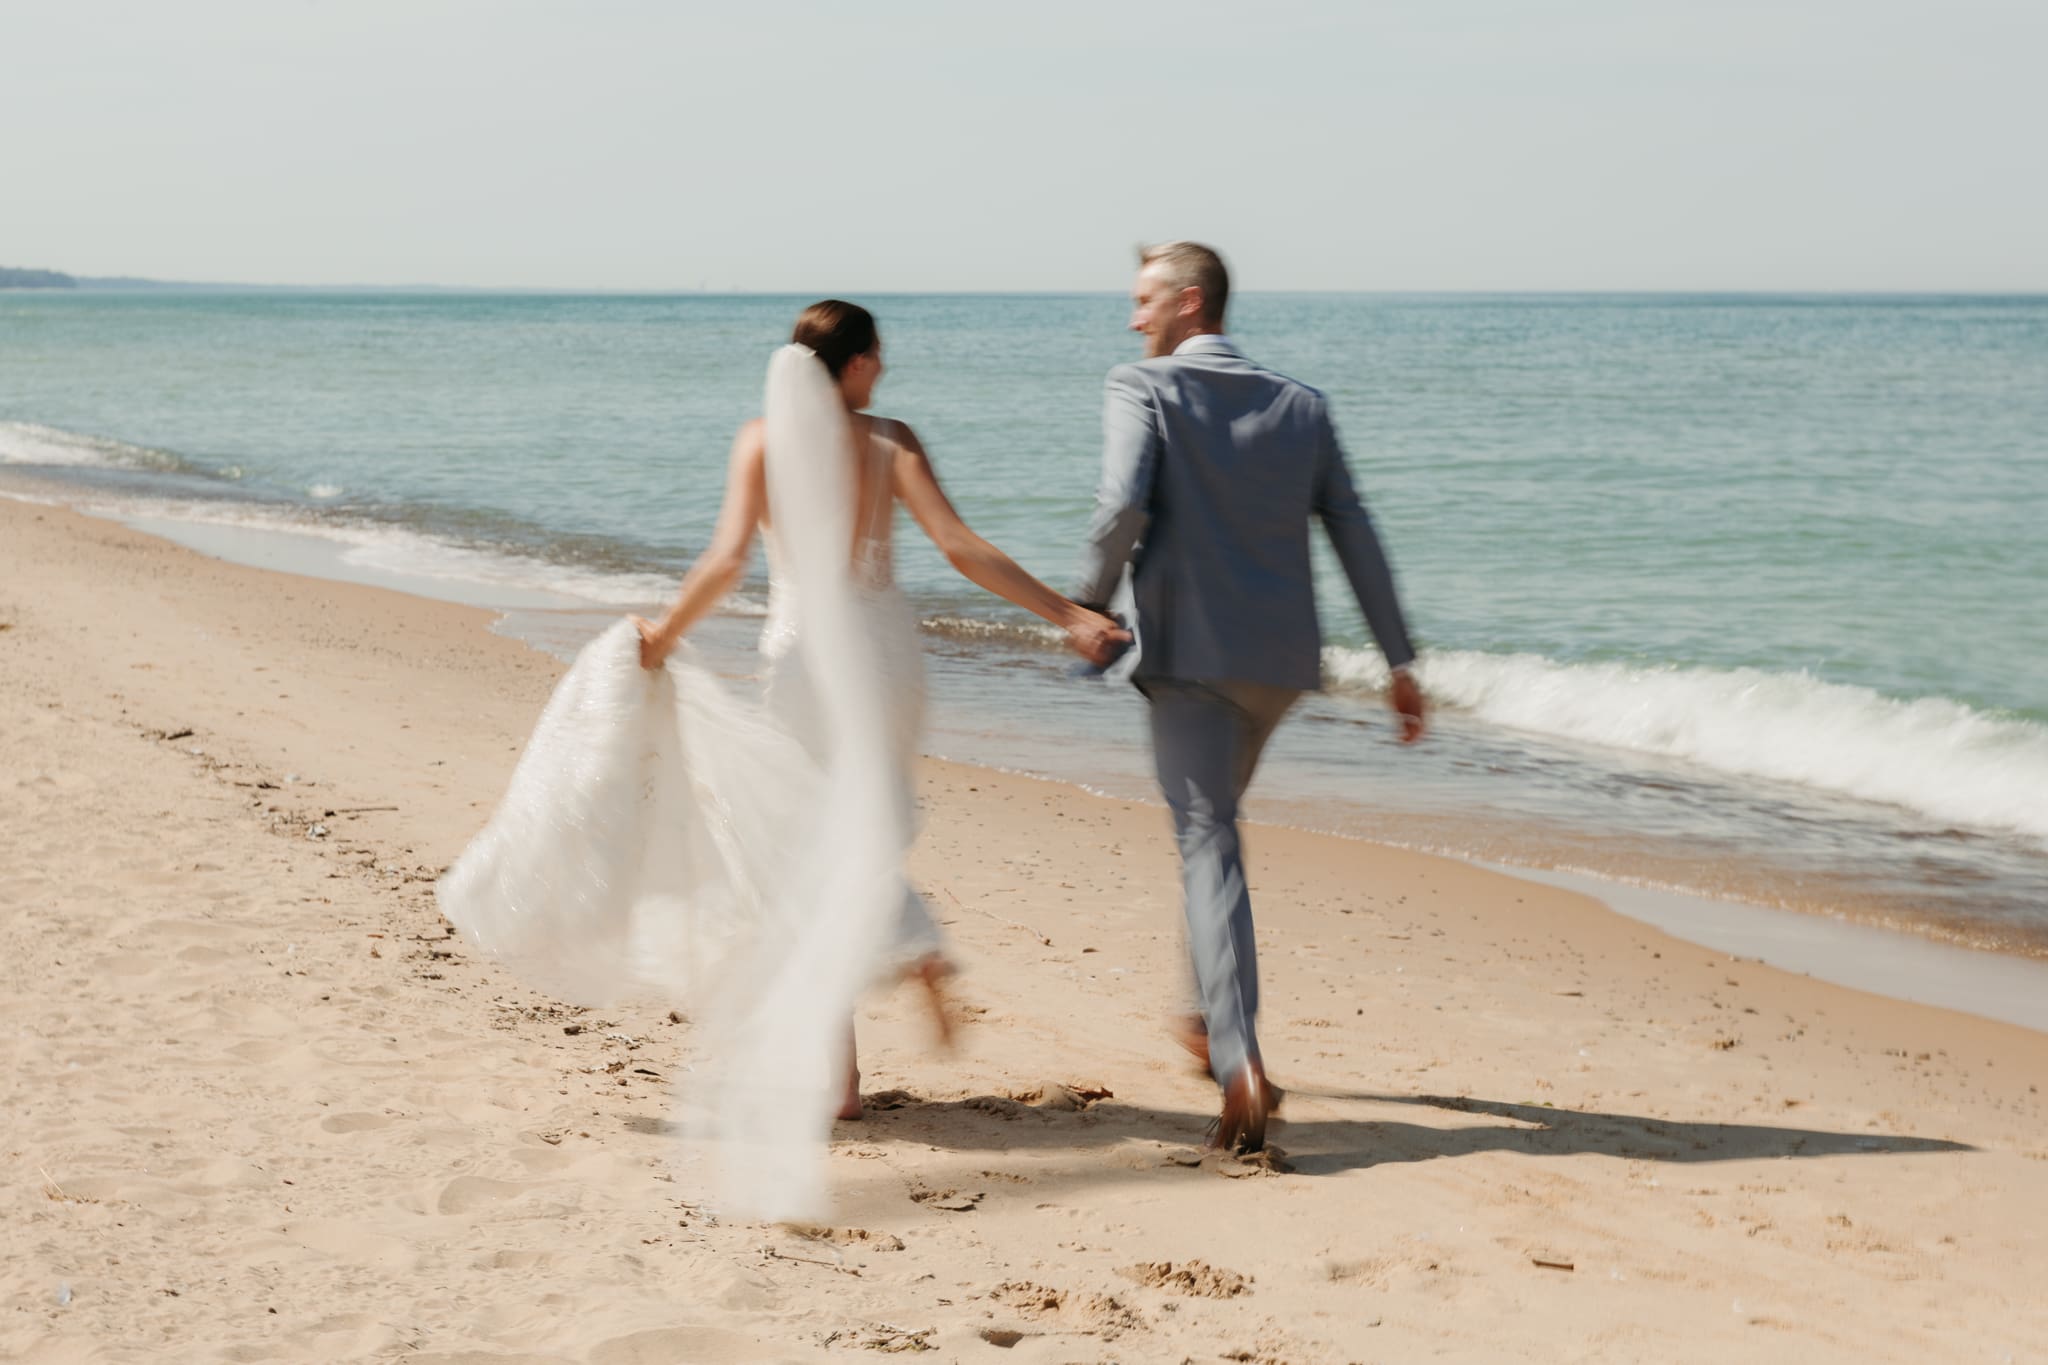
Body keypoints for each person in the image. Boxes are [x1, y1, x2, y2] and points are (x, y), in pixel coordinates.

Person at [628, 301, 1125, 1120]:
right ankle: (892, 975)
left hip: (802, 663)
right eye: (878, 356)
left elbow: (725, 561)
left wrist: (663, 635)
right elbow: (960, 547)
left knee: (806, 855)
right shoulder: (892, 440)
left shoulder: (761, 441)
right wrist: (1067, 616)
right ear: (854, 364)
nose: (885, 369)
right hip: (888, 659)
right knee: (847, 838)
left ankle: (858, 1041)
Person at [1072, 244, 1426, 1154]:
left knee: (1206, 841)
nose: (1133, 318)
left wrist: (1086, 606)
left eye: (1144, 300)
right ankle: (1202, 1016)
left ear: (1189, 302)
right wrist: (1399, 660)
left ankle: (1239, 1060)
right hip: (1277, 667)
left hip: (1190, 656)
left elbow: (1120, 507)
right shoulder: (1301, 405)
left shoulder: (1142, 386)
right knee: (1214, 831)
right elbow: (1357, 532)